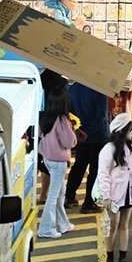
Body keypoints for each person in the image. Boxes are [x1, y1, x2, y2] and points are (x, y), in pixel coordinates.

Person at [96, 113, 132, 262]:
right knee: (113, 226)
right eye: (130, 130)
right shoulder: (108, 150)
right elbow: (103, 174)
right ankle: (110, 259)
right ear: (122, 131)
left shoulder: (130, 148)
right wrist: (107, 196)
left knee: (124, 225)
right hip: (114, 195)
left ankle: (122, 260)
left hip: (129, 193)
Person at [38, 85, 77, 239]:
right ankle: (46, 228)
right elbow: (69, 143)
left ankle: (63, 223)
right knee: (54, 196)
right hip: (58, 162)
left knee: (60, 193)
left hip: (47, 159)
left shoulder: (45, 117)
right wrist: (72, 130)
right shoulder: (62, 120)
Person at [65, 82, 109, 213]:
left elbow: (70, 113)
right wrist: (88, 132)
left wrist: (80, 131)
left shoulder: (72, 88)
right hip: (98, 136)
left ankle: (69, 197)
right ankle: (89, 203)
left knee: (79, 166)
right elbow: (100, 115)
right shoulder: (100, 89)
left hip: (80, 135)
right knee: (95, 170)